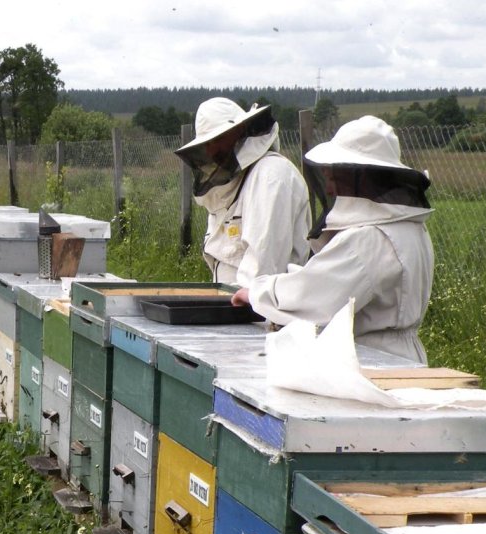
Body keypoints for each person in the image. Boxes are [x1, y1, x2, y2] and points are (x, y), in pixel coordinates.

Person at [231, 115, 434, 363]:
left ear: (362, 174)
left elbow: (313, 298)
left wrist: (255, 292)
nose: (330, 188)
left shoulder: (369, 238)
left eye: (337, 174)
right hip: (403, 358)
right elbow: (331, 278)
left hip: (372, 360)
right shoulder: (409, 228)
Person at [174, 98, 311, 287]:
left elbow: (262, 271)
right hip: (230, 303)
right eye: (207, 144)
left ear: (240, 131)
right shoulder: (231, 185)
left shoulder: (271, 176)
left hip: (263, 311)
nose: (212, 150)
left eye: (219, 139)